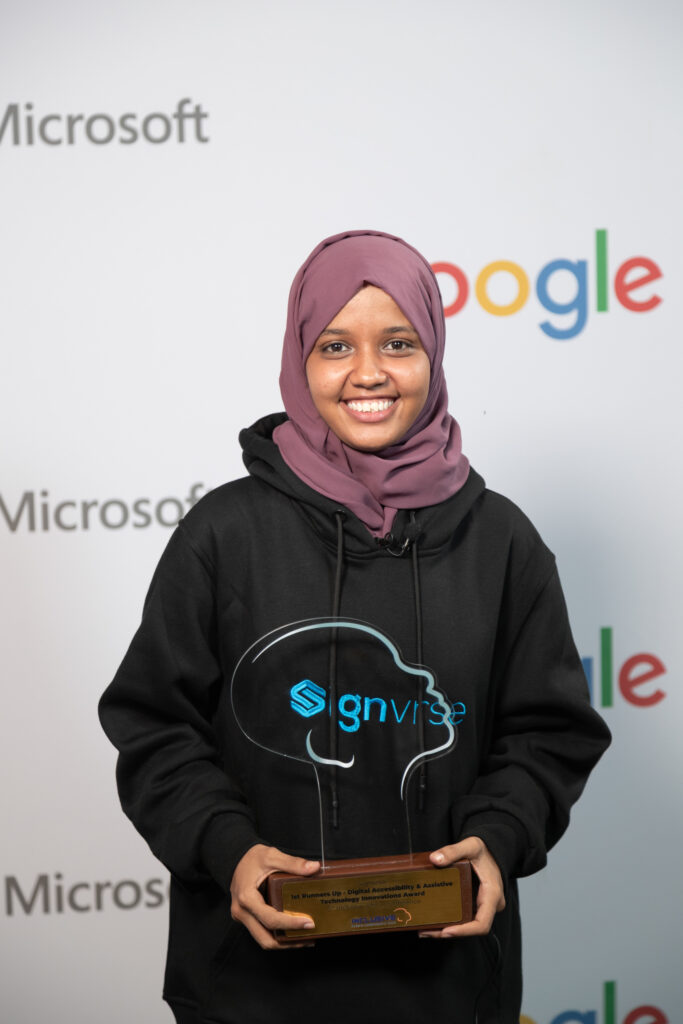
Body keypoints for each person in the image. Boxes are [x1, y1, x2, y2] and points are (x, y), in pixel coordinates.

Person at [99, 229, 611, 1024]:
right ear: (300, 358)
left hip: (447, 984)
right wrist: (225, 849)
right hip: (250, 983)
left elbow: (547, 733)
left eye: (397, 343)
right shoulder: (222, 534)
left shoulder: (501, 541)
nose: (368, 372)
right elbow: (155, 725)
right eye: (336, 344)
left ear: (433, 356)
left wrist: (501, 835)